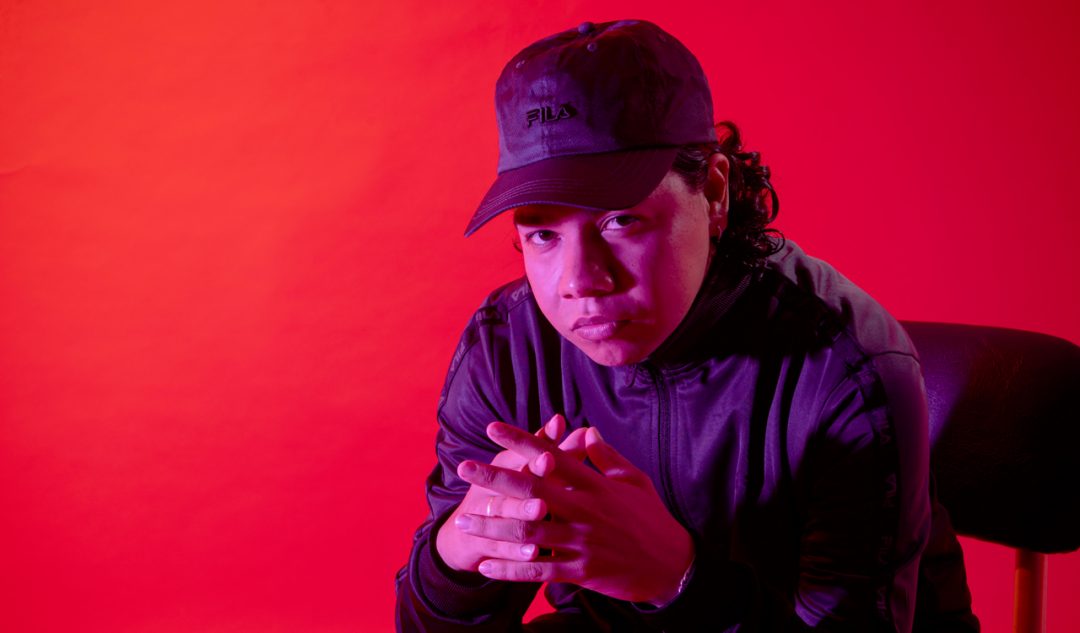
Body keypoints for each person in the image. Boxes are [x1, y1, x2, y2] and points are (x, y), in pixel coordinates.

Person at [395, 19, 978, 632]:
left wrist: (675, 578)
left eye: (620, 221)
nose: (580, 281)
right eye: (542, 234)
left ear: (716, 191)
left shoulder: (847, 373)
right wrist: (456, 558)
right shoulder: (509, 349)